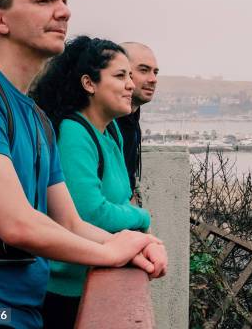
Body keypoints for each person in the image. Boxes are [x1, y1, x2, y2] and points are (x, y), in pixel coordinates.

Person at [0, 0, 165, 329]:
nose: (64, 11)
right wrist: (109, 252)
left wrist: (132, 243)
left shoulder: (38, 119)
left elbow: (70, 221)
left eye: (64, 0)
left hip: (24, 312)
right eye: (44, 0)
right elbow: (17, 225)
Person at [31, 36, 159, 328]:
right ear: (89, 84)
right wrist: (142, 217)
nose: (131, 84)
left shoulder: (110, 129)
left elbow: (120, 197)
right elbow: (88, 212)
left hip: (90, 276)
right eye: (120, 75)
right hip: (62, 292)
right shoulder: (74, 134)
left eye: (130, 76)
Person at [116, 42, 159, 197]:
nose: (153, 79)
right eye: (144, 70)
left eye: (155, 72)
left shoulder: (132, 119)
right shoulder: (107, 123)